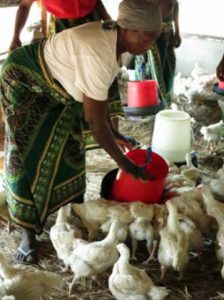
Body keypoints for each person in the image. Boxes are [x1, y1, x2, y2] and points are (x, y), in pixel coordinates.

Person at [0, 0, 162, 264]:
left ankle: (67, 213)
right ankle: (27, 232)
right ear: (128, 28)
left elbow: (99, 104)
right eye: (149, 36)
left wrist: (114, 132)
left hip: (57, 87)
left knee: (70, 146)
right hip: (22, 81)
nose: (151, 44)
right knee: (26, 154)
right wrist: (124, 164)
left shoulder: (117, 44)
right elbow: (94, 120)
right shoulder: (97, 51)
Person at [9, 0, 133, 150]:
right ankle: (83, 140)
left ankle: (113, 135)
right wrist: (15, 36)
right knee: (71, 86)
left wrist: (107, 20)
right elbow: (24, 6)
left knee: (106, 78)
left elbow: (96, 2)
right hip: (62, 28)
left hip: (91, 24)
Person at [134, 0, 181, 107]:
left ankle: (164, 103)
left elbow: (174, 4)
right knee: (150, 69)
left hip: (167, 33)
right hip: (149, 32)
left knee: (168, 67)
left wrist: (177, 31)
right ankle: (146, 103)